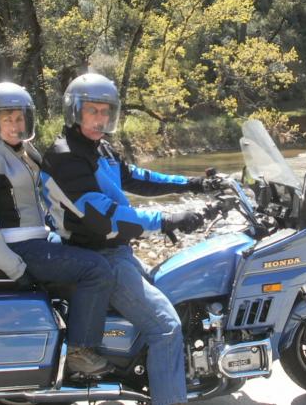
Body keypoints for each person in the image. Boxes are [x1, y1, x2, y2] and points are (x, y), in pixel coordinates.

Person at [40, 73, 219, 405]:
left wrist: (191, 184)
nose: (100, 118)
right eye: (92, 111)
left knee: (175, 301)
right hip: (97, 252)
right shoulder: (66, 158)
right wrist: (167, 219)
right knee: (165, 328)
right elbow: (106, 218)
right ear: (74, 111)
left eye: (105, 111)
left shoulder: (98, 147)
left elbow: (138, 177)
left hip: (115, 250)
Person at [0, 81, 115, 375]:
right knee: (97, 269)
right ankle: (81, 350)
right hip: (19, 246)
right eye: (7, 120)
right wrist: (15, 268)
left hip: (39, 238)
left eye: (19, 118)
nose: (15, 126)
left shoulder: (23, 152)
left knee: (92, 254)